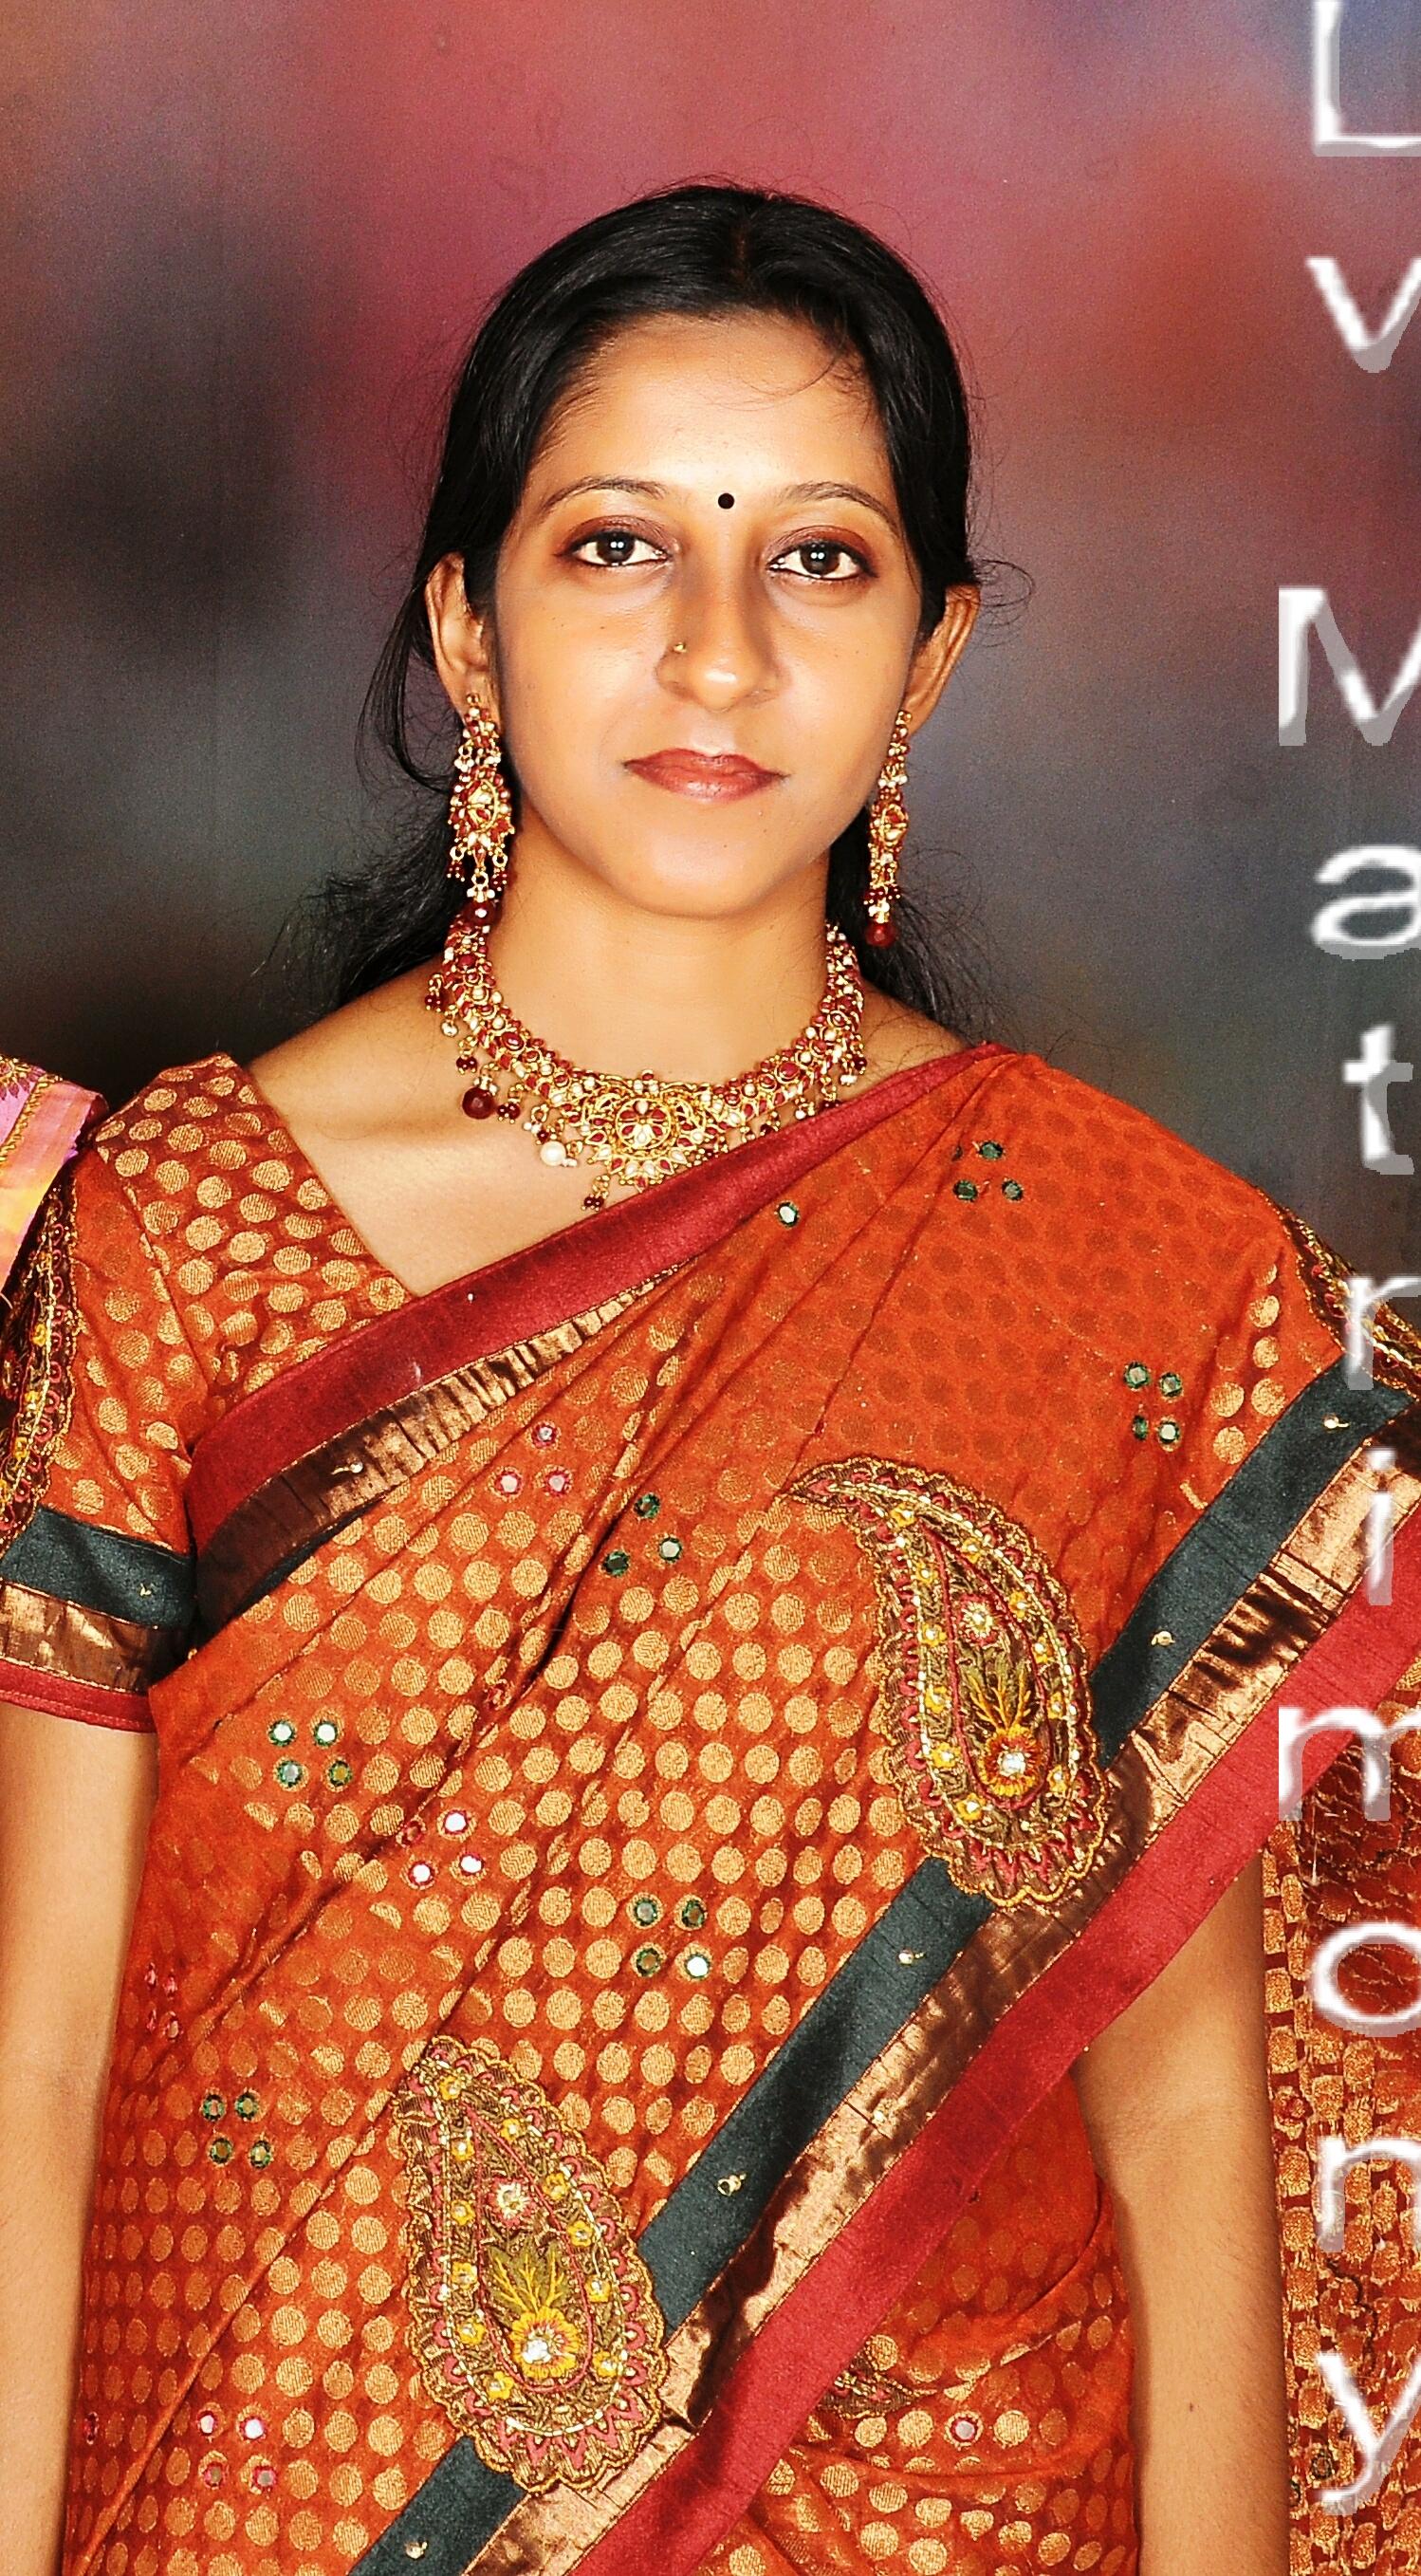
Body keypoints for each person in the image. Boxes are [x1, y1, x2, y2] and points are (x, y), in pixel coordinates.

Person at [1, 181, 1418, 2576]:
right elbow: (30, 2066)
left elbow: (1186, 2107)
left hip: (963, 2510)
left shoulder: (1132, 1270)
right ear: (465, 625)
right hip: (272, 2507)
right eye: (617, 547)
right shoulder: (189, 1220)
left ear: (930, 651)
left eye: (819, 560)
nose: (719, 652)